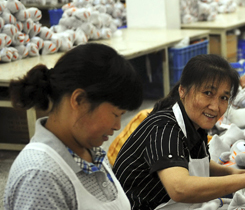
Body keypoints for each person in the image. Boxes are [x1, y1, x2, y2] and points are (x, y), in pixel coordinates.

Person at [113, 54, 245, 210]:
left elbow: (194, 162)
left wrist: (233, 173)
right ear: (183, 91)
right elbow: (179, 188)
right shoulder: (164, 128)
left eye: (224, 98)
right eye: (208, 93)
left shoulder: (194, 125)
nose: (215, 107)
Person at [4, 43, 144, 209]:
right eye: (115, 114)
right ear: (79, 100)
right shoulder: (41, 176)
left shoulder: (90, 150)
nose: (117, 126)